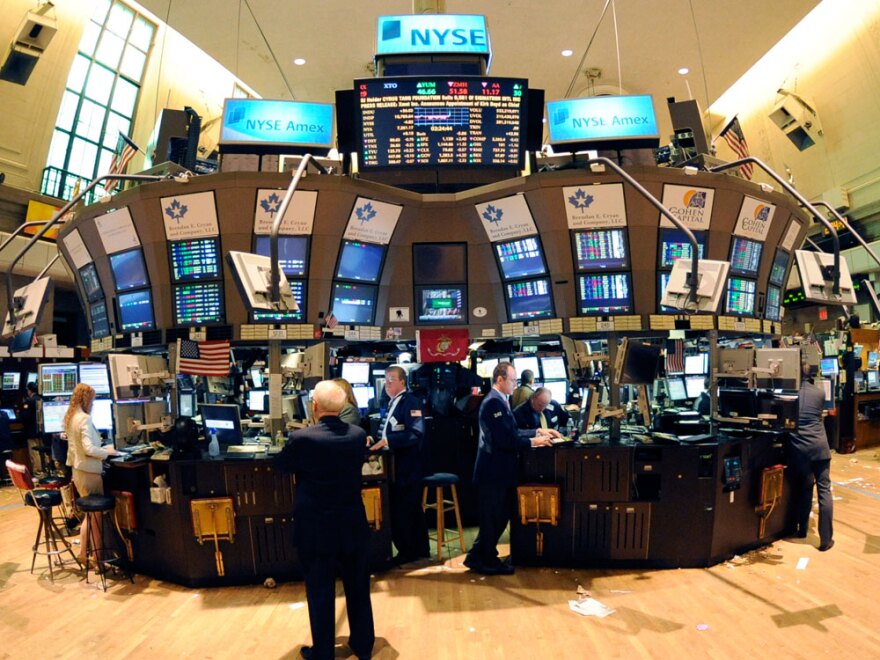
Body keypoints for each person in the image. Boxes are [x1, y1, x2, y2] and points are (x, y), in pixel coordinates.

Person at [274, 380, 374, 660]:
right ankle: (363, 644)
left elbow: (281, 465)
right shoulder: (357, 434)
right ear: (343, 406)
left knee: (320, 591)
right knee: (358, 587)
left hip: (316, 529)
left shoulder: (302, 438)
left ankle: (324, 651)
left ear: (314, 405)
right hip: (352, 524)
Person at [464, 362, 558, 575]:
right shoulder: (492, 404)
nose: (516, 385)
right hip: (493, 473)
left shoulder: (500, 401)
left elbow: (513, 431)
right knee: (494, 519)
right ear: (500, 379)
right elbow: (507, 439)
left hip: (498, 472)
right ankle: (487, 560)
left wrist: (538, 432)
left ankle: (476, 557)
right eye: (513, 380)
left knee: (498, 517)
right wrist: (536, 441)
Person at [368, 365, 429, 564]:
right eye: (386, 379)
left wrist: (388, 441)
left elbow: (415, 433)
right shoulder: (393, 402)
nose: (388, 383)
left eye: (392, 379)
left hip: (407, 466)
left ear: (403, 382)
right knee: (407, 509)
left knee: (406, 510)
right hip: (395, 466)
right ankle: (417, 549)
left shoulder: (411, 402)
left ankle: (409, 552)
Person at [64, 383, 118, 563]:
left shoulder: (71, 417)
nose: (93, 404)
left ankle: (83, 554)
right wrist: (107, 453)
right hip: (89, 472)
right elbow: (88, 448)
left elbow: (74, 450)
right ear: (87, 399)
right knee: (96, 517)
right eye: (93, 400)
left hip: (78, 471)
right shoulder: (84, 418)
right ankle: (98, 558)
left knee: (89, 515)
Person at [788, 359, 834, 551]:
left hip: (799, 448)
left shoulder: (790, 394)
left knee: (805, 487)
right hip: (820, 447)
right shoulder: (820, 392)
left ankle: (801, 529)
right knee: (824, 490)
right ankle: (825, 540)